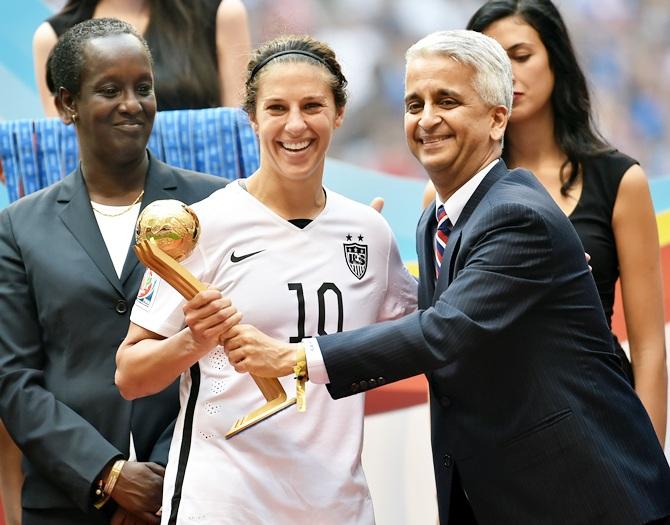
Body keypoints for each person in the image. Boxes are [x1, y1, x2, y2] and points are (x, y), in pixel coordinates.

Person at [222, 30, 670, 524]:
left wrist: (294, 357)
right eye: (415, 103)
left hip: (584, 499)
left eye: (447, 100)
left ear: (498, 118)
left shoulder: (518, 215)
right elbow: (437, 322)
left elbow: (444, 331)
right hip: (503, 497)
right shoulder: (437, 220)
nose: (427, 118)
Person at [115, 34, 417, 524]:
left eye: (312, 105)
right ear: (252, 118)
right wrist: (196, 340)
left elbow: (421, 337)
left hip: (337, 507)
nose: (295, 125)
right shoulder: (202, 225)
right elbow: (129, 375)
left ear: (338, 113)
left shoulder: (370, 232)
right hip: (223, 504)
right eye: (276, 108)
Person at [0, 18, 227, 525]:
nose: (132, 103)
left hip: (195, 492)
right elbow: (13, 379)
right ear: (66, 104)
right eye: (110, 89)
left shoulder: (215, 204)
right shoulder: (17, 227)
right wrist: (108, 476)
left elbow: (226, 356)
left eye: (143, 88)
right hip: (67, 501)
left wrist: (166, 476)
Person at [422, 0, 668, 446]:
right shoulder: (448, 192)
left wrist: (646, 466)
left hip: (599, 429)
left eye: (520, 55)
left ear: (555, 58)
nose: (509, 74)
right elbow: (441, 336)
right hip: (495, 439)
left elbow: (648, 347)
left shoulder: (619, 181)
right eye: (492, 60)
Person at [33, 0, 251, 114]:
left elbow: (239, 130)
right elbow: (63, 146)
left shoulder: (222, 13)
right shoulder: (53, 37)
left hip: (207, 191)